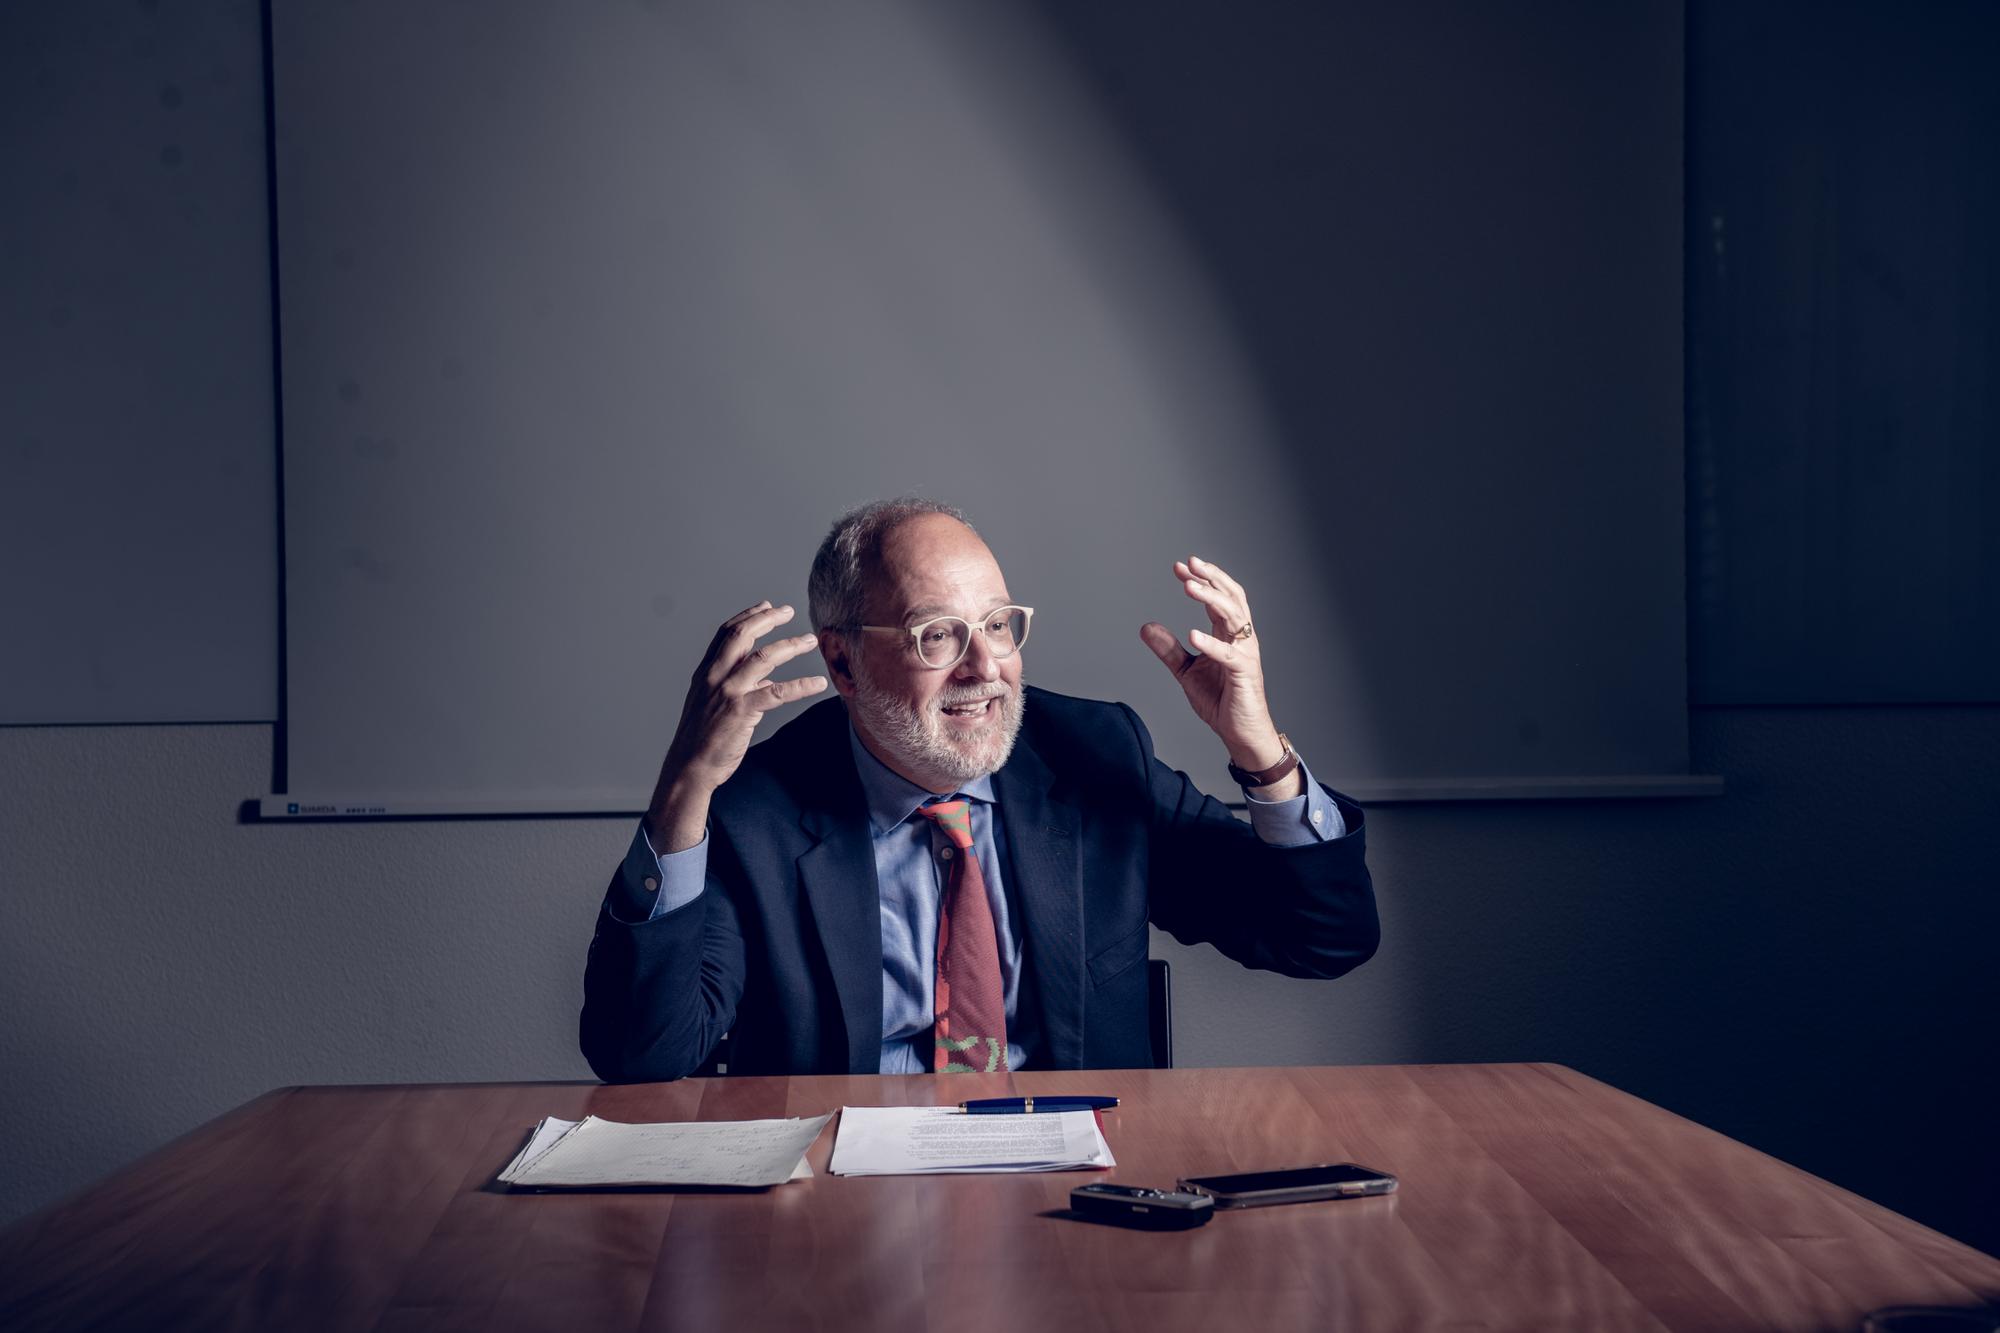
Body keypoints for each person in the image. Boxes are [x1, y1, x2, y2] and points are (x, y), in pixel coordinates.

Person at [581, 499, 1376, 1080]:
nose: (984, 666)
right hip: (845, 1205)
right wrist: (685, 791)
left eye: (998, 624)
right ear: (844, 663)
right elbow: (641, 1054)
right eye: (938, 635)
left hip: (1072, 1197)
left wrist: (1259, 748)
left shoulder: (1096, 758)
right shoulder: (760, 807)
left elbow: (1325, 937)